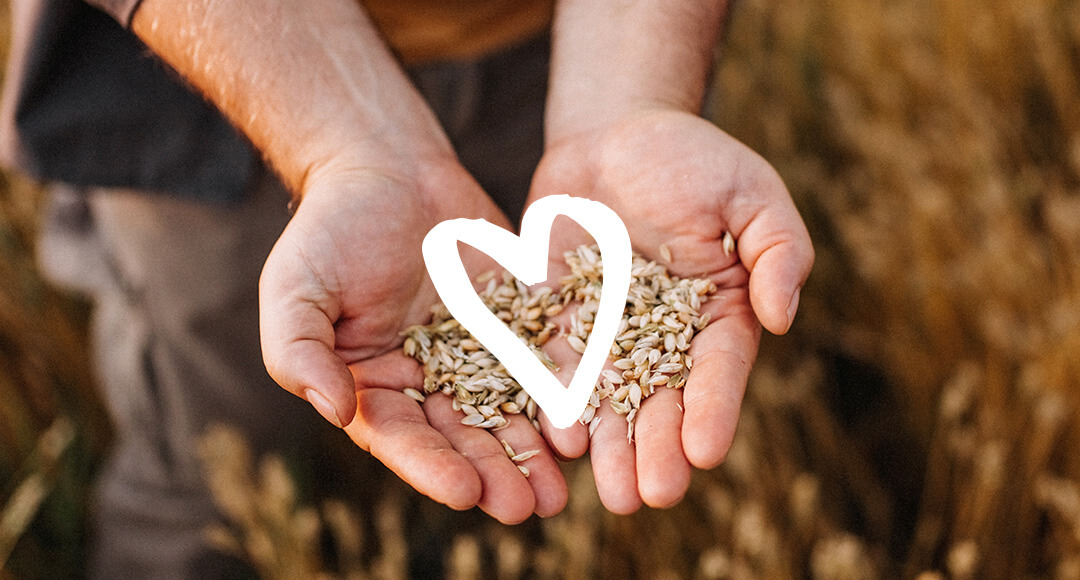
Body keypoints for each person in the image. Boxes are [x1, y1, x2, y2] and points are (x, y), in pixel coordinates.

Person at [1, 0, 814, 576]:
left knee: (533, 464)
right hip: (213, 59)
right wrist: (338, 138)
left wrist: (632, 94)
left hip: (573, 42)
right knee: (206, 457)